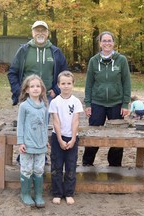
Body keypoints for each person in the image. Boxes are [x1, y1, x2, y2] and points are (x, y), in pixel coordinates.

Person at [7, 20, 68, 164]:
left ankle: (42, 155)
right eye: (37, 30)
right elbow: (12, 73)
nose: (40, 33)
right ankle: (23, 155)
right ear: (32, 33)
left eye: (43, 31)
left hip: (47, 97)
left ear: (47, 33)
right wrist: (19, 92)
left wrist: (57, 89)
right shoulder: (24, 50)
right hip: (28, 97)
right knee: (26, 125)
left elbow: (65, 72)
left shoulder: (55, 52)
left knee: (42, 125)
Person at [82, 31, 131, 167]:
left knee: (117, 137)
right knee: (93, 135)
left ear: (114, 43)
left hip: (116, 103)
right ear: (100, 43)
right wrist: (88, 103)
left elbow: (126, 82)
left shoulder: (121, 60)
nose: (107, 43)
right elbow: (89, 83)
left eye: (109, 40)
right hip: (97, 103)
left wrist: (125, 104)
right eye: (104, 41)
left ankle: (115, 166)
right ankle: (87, 164)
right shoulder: (93, 61)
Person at [48, 71, 83, 205]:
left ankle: (69, 193)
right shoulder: (55, 102)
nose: (66, 86)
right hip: (58, 137)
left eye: (69, 83)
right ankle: (57, 193)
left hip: (72, 137)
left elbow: (76, 121)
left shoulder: (76, 102)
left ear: (73, 84)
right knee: (56, 166)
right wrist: (60, 140)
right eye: (63, 83)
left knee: (70, 166)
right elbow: (56, 121)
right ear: (58, 85)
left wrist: (73, 138)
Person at [17, 75, 49, 207]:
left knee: (39, 169)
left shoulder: (44, 107)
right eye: (32, 86)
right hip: (28, 144)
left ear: (42, 89)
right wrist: (20, 142)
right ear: (26, 90)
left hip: (40, 145)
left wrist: (46, 140)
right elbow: (20, 125)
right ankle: (25, 194)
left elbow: (45, 125)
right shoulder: (24, 106)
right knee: (26, 169)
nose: (35, 89)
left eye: (38, 86)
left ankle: (38, 195)